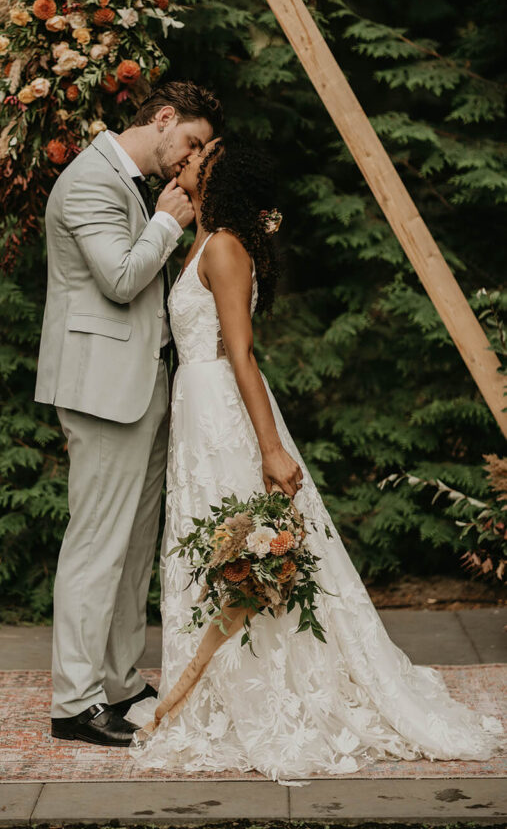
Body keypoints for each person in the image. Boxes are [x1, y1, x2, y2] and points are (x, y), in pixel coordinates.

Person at [128, 134, 504, 780]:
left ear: (217, 179)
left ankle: (269, 694)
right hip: (196, 411)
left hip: (221, 410)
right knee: (203, 545)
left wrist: (270, 449)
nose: (183, 159)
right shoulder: (203, 239)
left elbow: (239, 353)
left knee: (237, 542)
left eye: (197, 157)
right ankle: (207, 690)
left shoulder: (222, 248)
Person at [34, 80, 223, 747]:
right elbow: (118, 279)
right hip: (100, 389)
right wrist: (168, 222)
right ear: (163, 118)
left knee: (132, 547)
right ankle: (73, 702)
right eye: (191, 142)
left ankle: (116, 682)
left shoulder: (131, 184)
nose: (190, 159)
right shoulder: (89, 180)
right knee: (95, 546)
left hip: (139, 386)